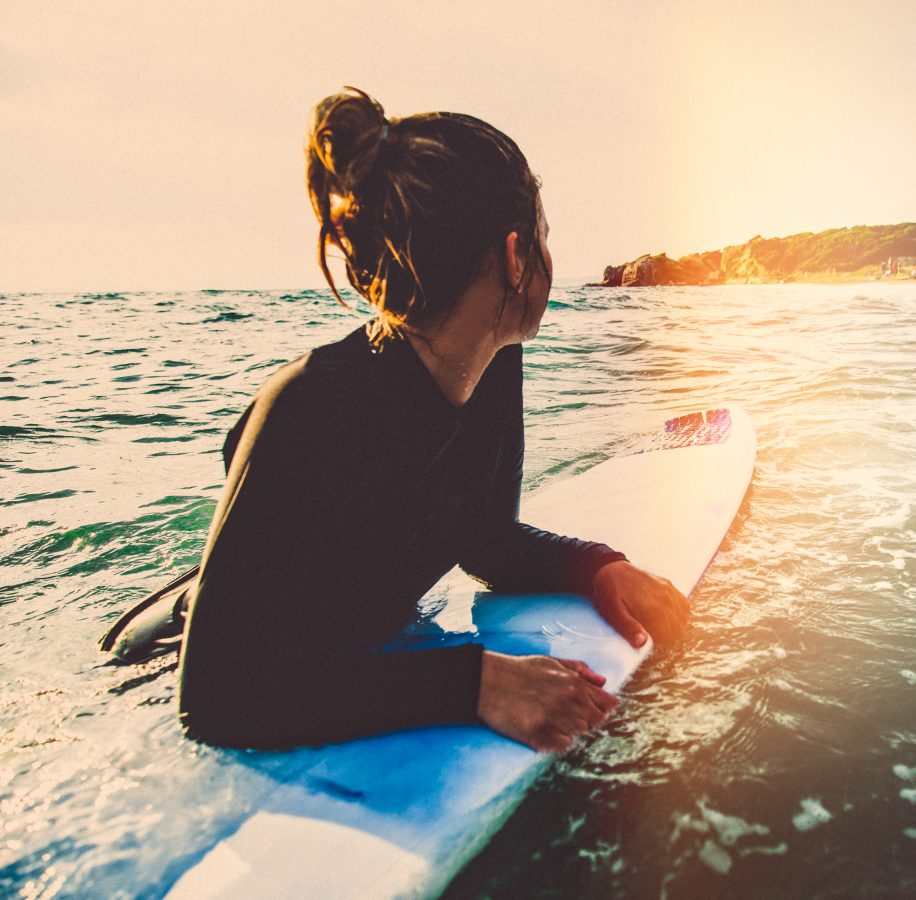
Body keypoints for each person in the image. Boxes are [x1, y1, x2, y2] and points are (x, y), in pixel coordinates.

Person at [169, 87, 688, 752]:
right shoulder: (308, 405)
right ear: (515, 256)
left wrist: (597, 570)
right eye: (545, 237)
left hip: (344, 652)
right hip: (169, 661)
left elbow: (481, 539)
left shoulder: (492, 362)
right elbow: (218, 698)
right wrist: (473, 684)